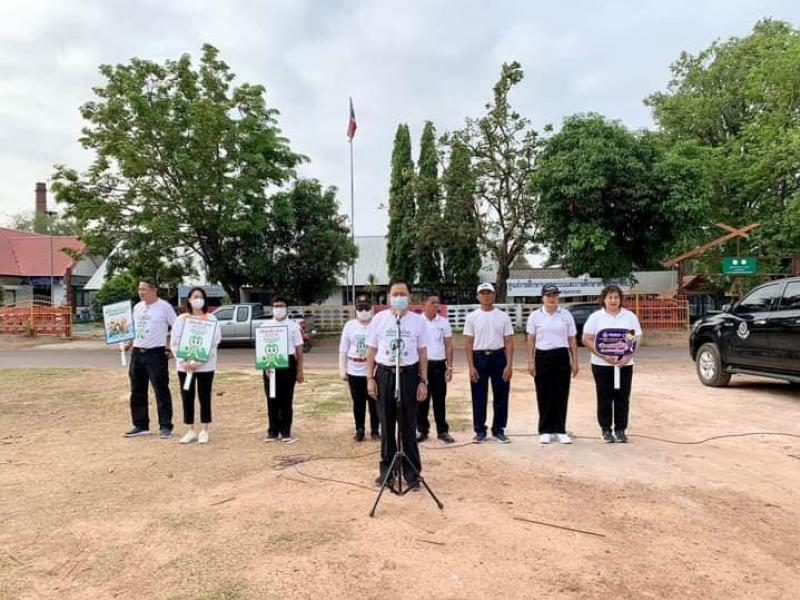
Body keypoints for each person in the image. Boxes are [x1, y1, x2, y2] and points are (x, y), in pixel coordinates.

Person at [366, 279, 429, 488]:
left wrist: (423, 381)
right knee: (386, 424)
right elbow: (371, 351)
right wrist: (370, 378)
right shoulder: (379, 319)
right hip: (385, 374)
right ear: (388, 296)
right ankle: (388, 473)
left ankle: (412, 474)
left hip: (409, 374)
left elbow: (422, 352)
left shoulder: (418, 321)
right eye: (395, 294)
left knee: (409, 425)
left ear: (410, 297)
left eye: (403, 294)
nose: (399, 298)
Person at [582, 285, 642, 443]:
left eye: (616, 297)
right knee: (604, 397)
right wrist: (603, 356)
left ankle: (620, 430)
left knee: (622, 397)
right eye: (610, 297)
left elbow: (637, 338)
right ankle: (606, 430)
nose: (613, 300)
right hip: (601, 365)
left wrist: (628, 356)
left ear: (620, 299)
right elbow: (586, 339)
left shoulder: (629, 317)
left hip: (624, 364)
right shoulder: (596, 317)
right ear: (604, 299)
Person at [525, 284, 579, 445]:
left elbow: (572, 339)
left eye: (555, 295)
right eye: (548, 295)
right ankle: (545, 430)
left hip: (561, 355)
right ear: (542, 298)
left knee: (561, 393)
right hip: (543, 356)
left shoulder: (566, 315)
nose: (552, 298)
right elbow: (531, 339)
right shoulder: (535, 316)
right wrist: (530, 361)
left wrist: (575, 361)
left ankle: (560, 430)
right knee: (544, 394)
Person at [123, 278, 177, 439]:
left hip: (156, 353)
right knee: (137, 390)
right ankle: (140, 425)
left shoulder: (165, 307)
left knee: (161, 389)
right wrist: (129, 342)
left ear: (154, 290)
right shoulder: (137, 308)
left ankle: (165, 426)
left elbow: (177, 328)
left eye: (144, 289)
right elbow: (133, 328)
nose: (140, 292)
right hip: (137, 353)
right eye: (139, 289)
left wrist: (173, 349)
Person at [170, 287, 222, 445]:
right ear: (189, 300)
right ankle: (190, 430)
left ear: (205, 300)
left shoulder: (211, 319)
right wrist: (183, 361)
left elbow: (215, 342)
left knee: (204, 396)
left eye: (201, 297)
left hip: (205, 366)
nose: (198, 299)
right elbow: (174, 342)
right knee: (187, 396)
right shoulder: (182, 319)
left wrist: (200, 360)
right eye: (195, 296)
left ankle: (204, 429)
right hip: (185, 367)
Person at [464, 282, 514, 444]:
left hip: (498, 356)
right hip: (479, 357)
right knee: (479, 396)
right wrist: (471, 366)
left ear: (494, 295)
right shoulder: (472, 317)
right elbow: (468, 342)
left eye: (489, 293)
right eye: (483, 293)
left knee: (501, 395)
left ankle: (499, 430)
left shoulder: (503, 316)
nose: (486, 296)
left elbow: (509, 341)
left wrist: (509, 365)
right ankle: (480, 430)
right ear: (478, 296)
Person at [260, 296, 305, 443]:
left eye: (281, 306)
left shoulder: (293, 326)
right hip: (271, 365)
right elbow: (261, 348)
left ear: (286, 308)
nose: (279, 309)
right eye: (276, 306)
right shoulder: (265, 326)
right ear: (272, 308)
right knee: (272, 398)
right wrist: (265, 366)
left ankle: (286, 431)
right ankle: (273, 431)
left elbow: (299, 348)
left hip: (288, 364)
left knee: (286, 399)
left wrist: (300, 370)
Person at [338, 295, 380, 442]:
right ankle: (360, 429)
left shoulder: (377, 325)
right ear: (356, 309)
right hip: (354, 369)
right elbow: (343, 349)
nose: (363, 311)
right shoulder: (350, 326)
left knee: (375, 402)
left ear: (372, 308)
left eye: (366, 307)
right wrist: (342, 369)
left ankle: (375, 430)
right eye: (360, 308)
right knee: (358, 402)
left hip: (373, 369)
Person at [417, 293, 455, 443]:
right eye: (432, 302)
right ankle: (422, 430)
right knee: (422, 399)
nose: (435, 305)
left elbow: (448, 345)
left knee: (440, 399)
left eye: (437, 303)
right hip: (421, 366)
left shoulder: (443, 323)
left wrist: (449, 366)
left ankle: (442, 431)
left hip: (439, 365)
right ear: (424, 304)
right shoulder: (417, 322)